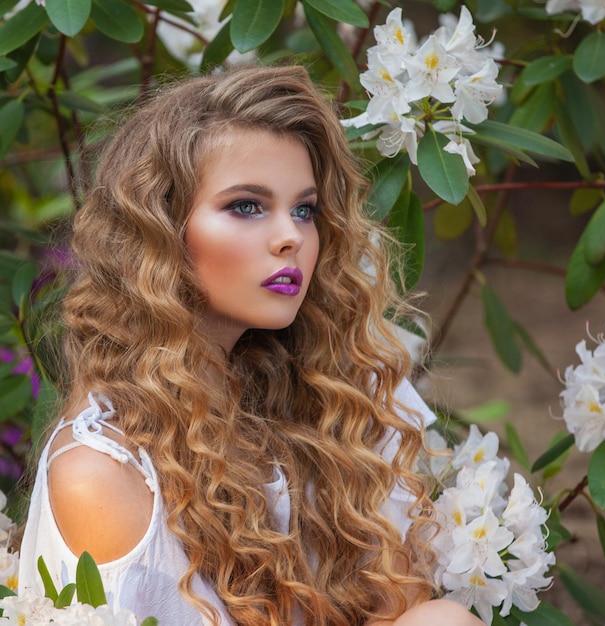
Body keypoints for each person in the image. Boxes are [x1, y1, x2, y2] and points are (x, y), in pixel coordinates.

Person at [18, 65, 484, 626]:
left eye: (304, 209)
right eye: (246, 205)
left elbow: (398, 608)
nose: (290, 236)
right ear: (160, 228)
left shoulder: (329, 393)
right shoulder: (102, 470)